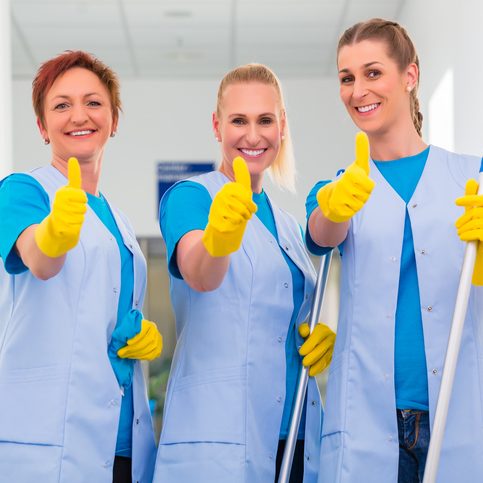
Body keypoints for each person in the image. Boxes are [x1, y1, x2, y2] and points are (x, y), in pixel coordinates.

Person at [305, 18, 483, 483]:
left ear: (410, 75)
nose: (357, 89)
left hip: (457, 414)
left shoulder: (474, 177)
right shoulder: (334, 189)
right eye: (346, 78)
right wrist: (333, 209)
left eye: (372, 72)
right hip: (368, 420)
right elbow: (321, 233)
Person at [153, 63, 335, 483]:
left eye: (265, 120)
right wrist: (218, 237)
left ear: (282, 127)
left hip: (296, 437)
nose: (253, 135)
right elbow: (199, 271)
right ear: (217, 126)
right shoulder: (190, 197)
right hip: (220, 438)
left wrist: (315, 338)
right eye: (239, 120)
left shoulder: (288, 225)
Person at [0, 51, 163, 483]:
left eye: (93, 102)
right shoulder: (23, 190)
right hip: (50, 440)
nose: (79, 116)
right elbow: (39, 258)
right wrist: (54, 233)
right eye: (61, 105)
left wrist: (135, 335)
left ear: (114, 119)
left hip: (122, 442)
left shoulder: (120, 222)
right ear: (41, 126)